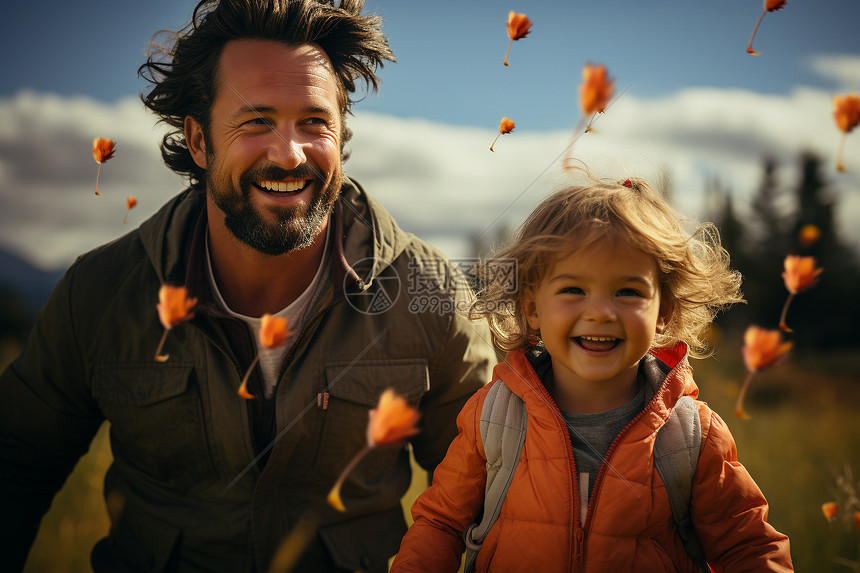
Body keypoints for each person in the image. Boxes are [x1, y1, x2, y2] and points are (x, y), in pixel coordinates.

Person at [0, 1, 495, 572]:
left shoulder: (431, 296)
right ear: (199, 140)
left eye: (314, 123)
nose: (289, 153)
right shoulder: (101, 291)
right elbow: (14, 469)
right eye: (256, 122)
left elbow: (492, 502)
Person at [390, 177, 794, 572]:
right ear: (532, 309)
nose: (600, 311)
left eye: (628, 292)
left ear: (664, 312)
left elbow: (748, 546)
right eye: (572, 290)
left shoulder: (691, 435)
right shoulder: (494, 417)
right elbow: (440, 524)